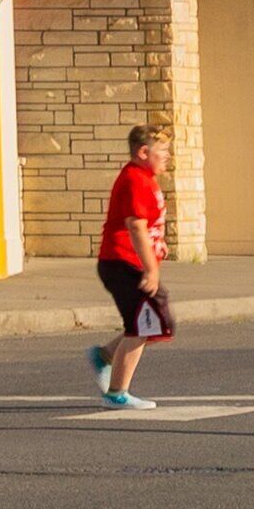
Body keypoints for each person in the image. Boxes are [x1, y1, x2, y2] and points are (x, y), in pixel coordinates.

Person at [90, 123, 174, 409]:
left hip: (128, 263)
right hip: (123, 263)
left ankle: (104, 356)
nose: (168, 156)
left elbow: (148, 226)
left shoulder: (145, 178)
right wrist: (151, 269)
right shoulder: (136, 179)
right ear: (143, 152)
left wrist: (159, 246)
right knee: (142, 325)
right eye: (162, 150)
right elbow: (135, 227)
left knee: (157, 324)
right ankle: (117, 393)